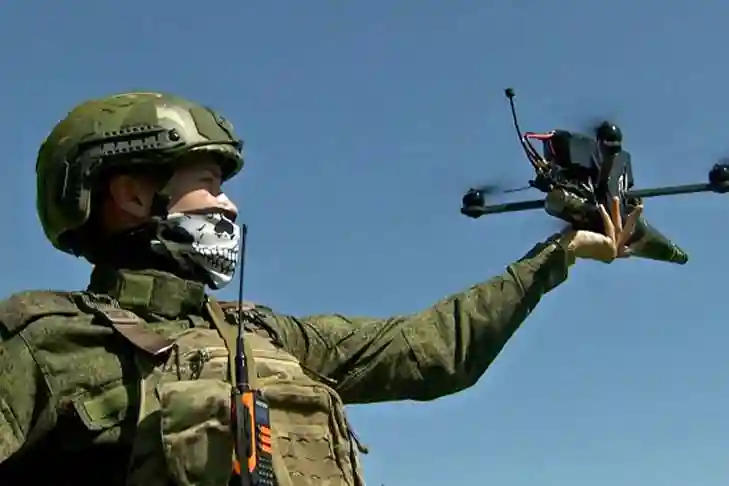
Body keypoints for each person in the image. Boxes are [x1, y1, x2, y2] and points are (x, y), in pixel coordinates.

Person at [0, 92, 641, 486]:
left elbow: (434, 350)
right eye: (209, 184)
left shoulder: (265, 336)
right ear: (132, 194)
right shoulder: (43, 341)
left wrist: (557, 255)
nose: (227, 206)